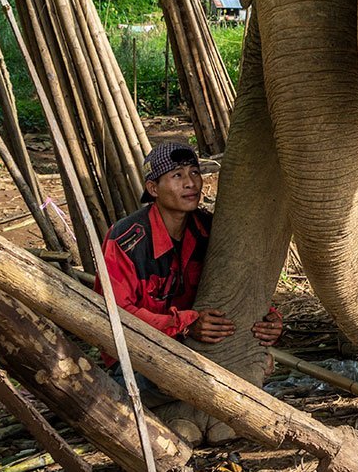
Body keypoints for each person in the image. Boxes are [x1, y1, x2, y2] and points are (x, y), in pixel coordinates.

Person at [98, 141, 283, 360]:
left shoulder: (208, 229)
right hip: (137, 355)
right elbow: (116, 314)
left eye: (194, 172)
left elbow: (237, 282)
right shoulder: (126, 240)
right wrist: (184, 325)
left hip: (197, 348)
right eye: (177, 175)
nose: (191, 183)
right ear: (153, 189)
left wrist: (269, 318)